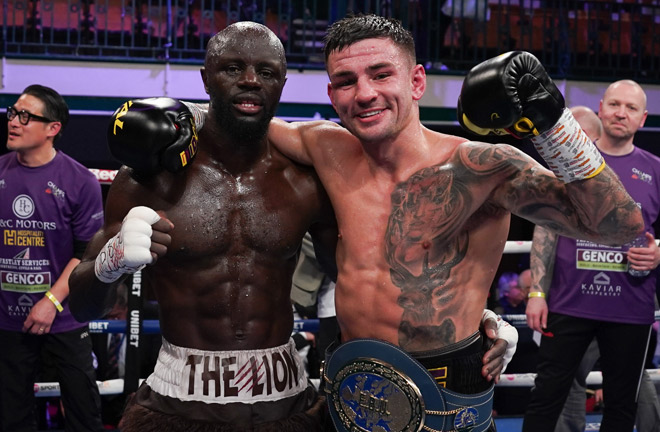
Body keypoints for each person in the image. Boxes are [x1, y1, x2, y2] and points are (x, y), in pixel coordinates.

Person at [69, 21, 515, 432]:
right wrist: (110, 262)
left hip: (285, 404)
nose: (249, 80)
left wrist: (461, 317)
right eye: (232, 68)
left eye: (266, 71)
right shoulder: (151, 174)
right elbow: (83, 307)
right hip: (177, 403)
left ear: (282, 83)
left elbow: (368, 270)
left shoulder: (305, 178)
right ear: (206, 79)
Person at [264, 15, 643, 432]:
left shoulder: (480, 167)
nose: (365, 93)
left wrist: (553, 122)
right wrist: (186, 122)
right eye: (347, 80)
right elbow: (238, 123)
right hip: (351, 388)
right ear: (332, 95)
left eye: (381, 74)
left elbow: (619, 226)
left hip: (446, 394)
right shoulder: (326, 147)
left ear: (417, 82)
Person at [524, 82, 660, 432]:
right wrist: (537, 293)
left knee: (621, 406)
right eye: (614, 104)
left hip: (631, 308)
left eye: (630, 108)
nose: (620, 113)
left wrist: (659, 252)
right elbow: (545, 226)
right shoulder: (568, 162)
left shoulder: (656, 169)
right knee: (545, 398)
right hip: (568, 304)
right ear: (601, 108)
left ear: (642, 118)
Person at [0, 84, 105, 431]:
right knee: (12, 418)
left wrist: (51, 301)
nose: (14, 121)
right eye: (13, 113)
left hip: (63, 317)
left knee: (83, 415)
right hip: (8, 321)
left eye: (26, 116)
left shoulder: (80, 180)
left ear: (53, 128)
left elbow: (86, 252)